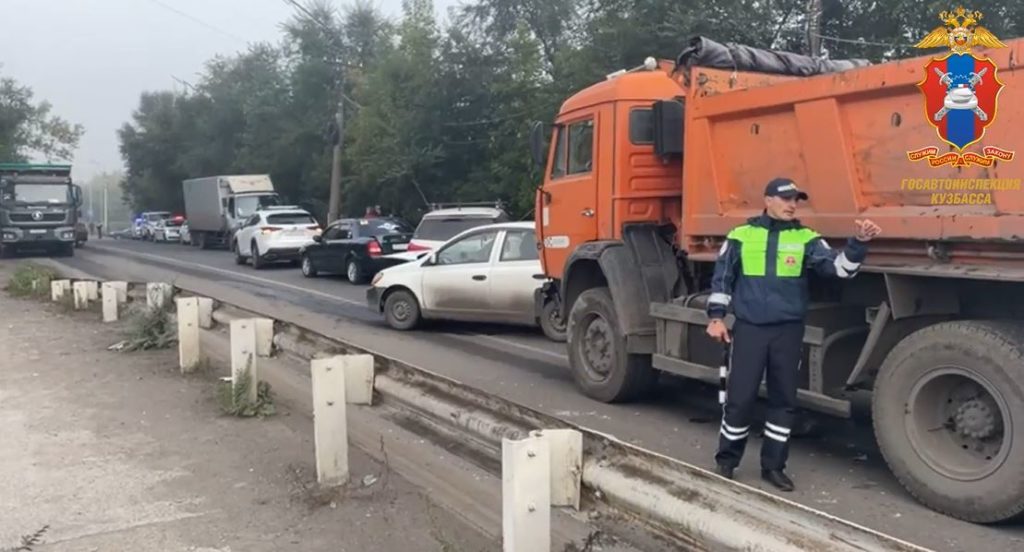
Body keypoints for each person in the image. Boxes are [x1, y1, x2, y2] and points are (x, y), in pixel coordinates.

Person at [706, 177, 881, 492]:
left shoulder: (807, 239)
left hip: (787, 330)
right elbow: (722, 279)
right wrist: (716, 318)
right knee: (740, 398)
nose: (791, 205)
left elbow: (840, 271)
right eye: (785, 199)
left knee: (784, 401)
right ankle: (727, 461)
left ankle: (773, 467)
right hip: (750, 329)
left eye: (795, 200)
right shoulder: (741, 236)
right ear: (768, 200)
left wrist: (858, 243)